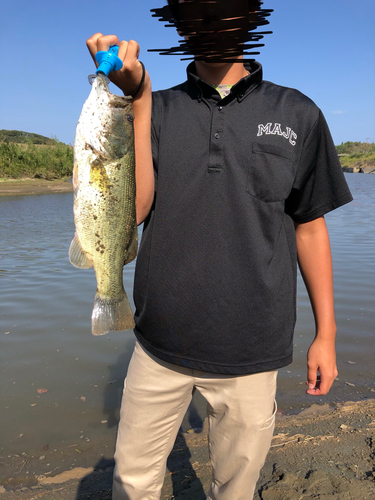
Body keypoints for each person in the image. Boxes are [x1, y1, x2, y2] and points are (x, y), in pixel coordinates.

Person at [86, 1, 353, 498]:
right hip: (158, 345)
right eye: (197, 13)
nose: (210, 23)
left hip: (253, 349)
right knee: (132, 482)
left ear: (249, 18)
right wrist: (138, 97)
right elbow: (136, 208)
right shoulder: (158, 108)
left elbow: (310, 228)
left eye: (222, 10)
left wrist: (327, 335)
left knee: (235, 488)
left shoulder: (298, 112)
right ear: (181, 25)